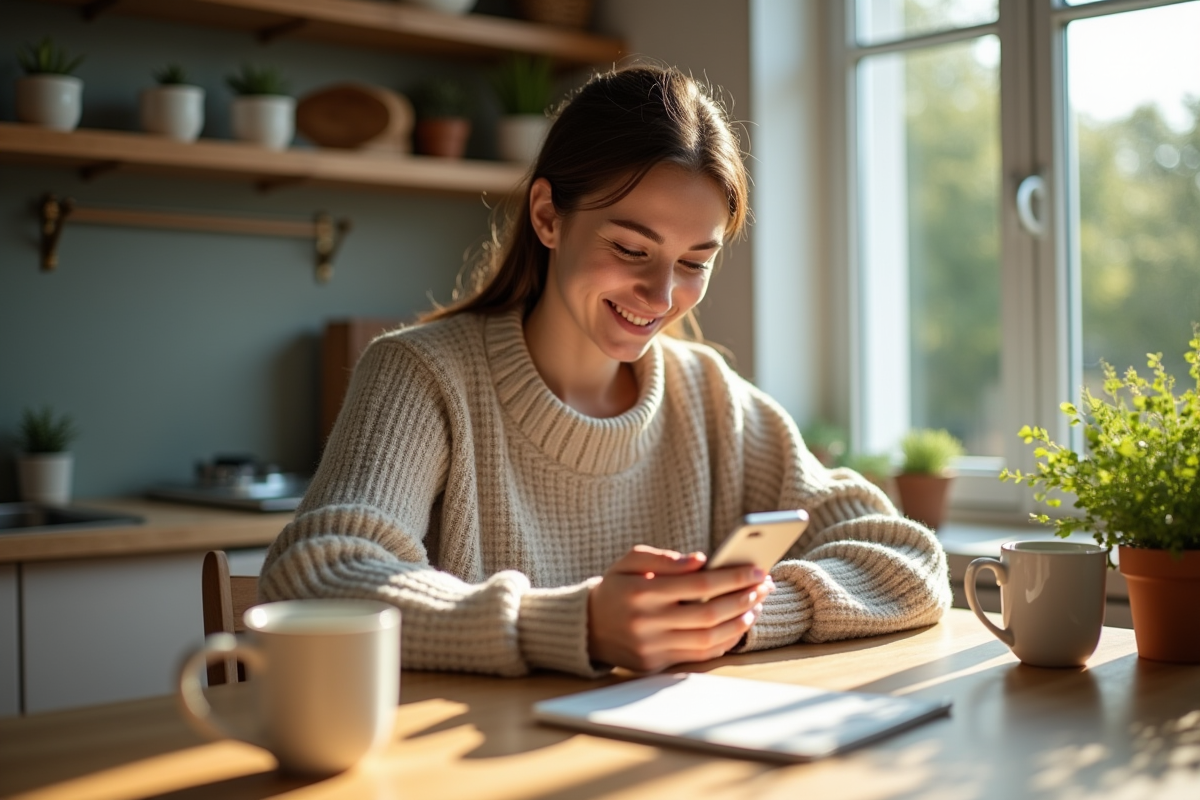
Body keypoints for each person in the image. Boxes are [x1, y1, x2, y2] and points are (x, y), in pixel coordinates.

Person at [260, 64, 950, 678]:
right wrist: (574, 623)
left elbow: (910, 561)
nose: (661, 296)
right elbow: (315, 575)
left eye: (694, 263)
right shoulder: (421, 375)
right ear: (547, 216)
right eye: (630, 247)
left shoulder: (708, 396)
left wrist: (739, 615)